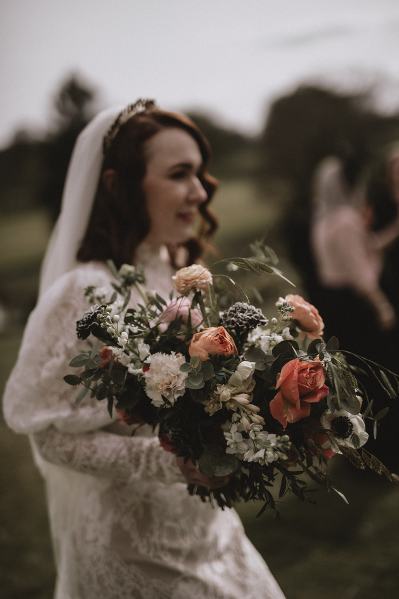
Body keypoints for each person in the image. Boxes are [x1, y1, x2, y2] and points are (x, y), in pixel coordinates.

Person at [3, 100, 285, 599]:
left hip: (207, 528)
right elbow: (49, 438)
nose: (199, 192)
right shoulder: (83, 292)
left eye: (200, 173)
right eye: (179, 174)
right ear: (119, 185)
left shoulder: (177, 271)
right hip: (133, 549)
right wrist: (170, 463)